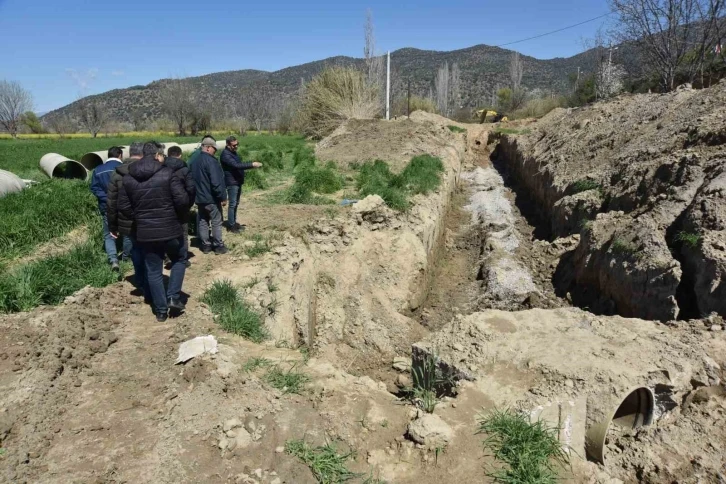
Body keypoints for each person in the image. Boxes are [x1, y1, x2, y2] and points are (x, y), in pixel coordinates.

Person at [118, 141, 189, 322]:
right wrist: (176, 215)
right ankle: (173, 296)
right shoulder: (168, 174)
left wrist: (141, 217)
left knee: (154, 270)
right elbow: (182, 200)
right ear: (158, 155)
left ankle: (160, 310)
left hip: (145, 232)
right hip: (171, 229)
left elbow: (124, 207)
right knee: (179, 259)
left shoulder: (128, 178)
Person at [107, 142, 147, 297]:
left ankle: (139, 279)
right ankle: (151, 279)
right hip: (147, 218)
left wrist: (112, 226)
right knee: (148, 249)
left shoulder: (117, 173)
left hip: (126, 219)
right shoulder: (148, 170)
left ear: (129, 154)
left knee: (135, 249)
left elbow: (111, 202)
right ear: (143, 154)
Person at [191, 135, 228, 254]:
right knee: (216, 221)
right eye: (214, 149)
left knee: (203, 221)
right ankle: (218, 245)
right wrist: (222, 196)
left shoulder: (195, 161)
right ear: (207, 148)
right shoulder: (211, 161)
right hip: (211, 198)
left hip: (199, 198)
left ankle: (205, 245)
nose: (215, 151)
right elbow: (216, 182)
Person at [90, 146, 124, 271]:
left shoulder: (98, 170)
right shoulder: (124, 168)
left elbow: (94, 188)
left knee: (108, 234)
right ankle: (126, 257)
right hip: (123, 206)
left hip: (106, 206)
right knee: (127, 231)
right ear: (120, 155)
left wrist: (107, 198)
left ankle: (113, 259)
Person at [220, 135, 262, 233]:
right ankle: (231, 226)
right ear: (228, 145)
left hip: (237, 181)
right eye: (234, 145)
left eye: (237, 144)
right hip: (232, 182)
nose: (236, 147)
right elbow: (236, 165)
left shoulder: (233, 153)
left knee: (236, 203)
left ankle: (233, 222)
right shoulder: (225, 155)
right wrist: (252, 164)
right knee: (233, 204)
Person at [164, 145, 196, 267]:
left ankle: (168, 258)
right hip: (182, 206)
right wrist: (189, 203)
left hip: (166, 206)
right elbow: (191, 188)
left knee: (167, 233)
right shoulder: (184, 169)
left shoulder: (161, 168)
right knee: (183, 231)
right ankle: (182, 258)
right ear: (180, 155)